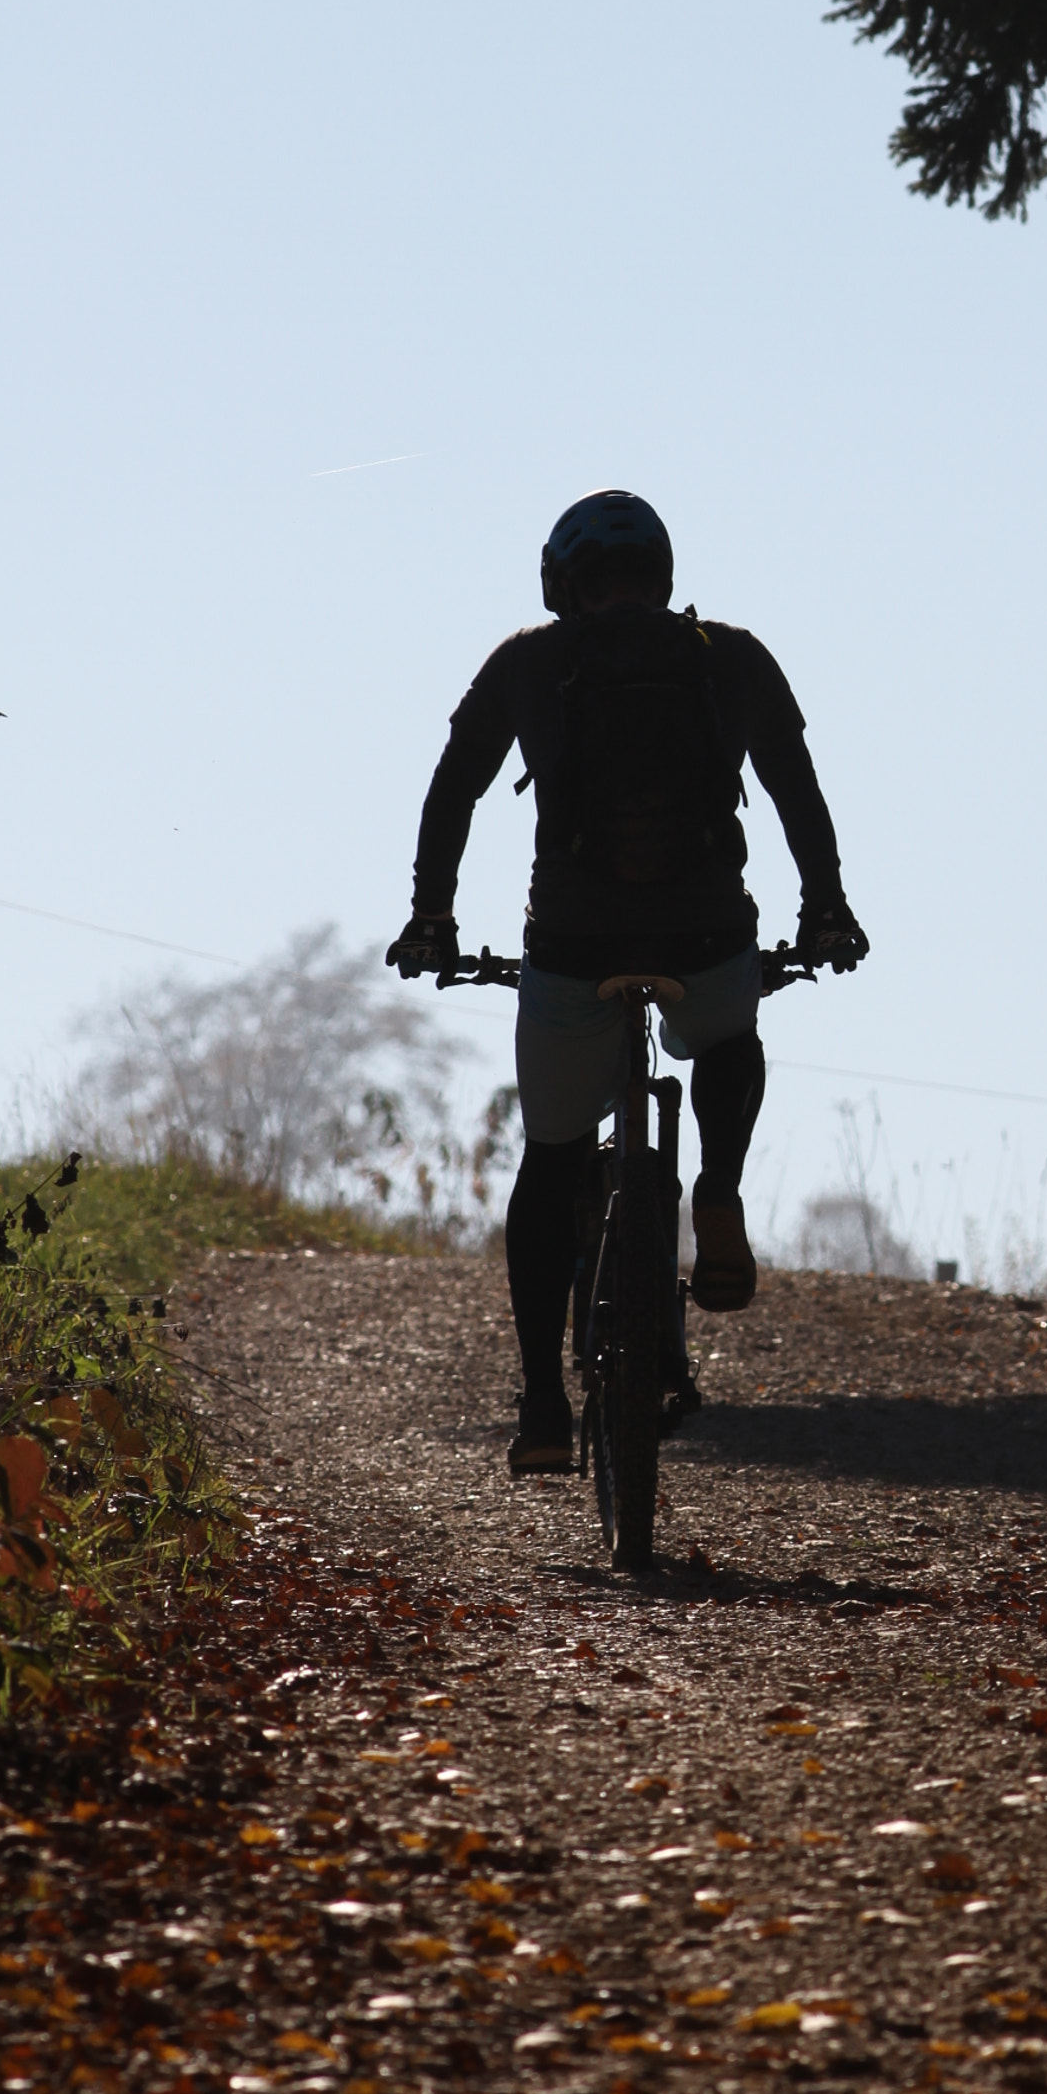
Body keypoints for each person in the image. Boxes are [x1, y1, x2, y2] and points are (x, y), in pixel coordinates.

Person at [385, 490, 866, 1474]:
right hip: (703, 929)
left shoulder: (527, 660)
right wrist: (825, 907)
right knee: (726, 1042)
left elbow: (455, 790)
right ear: (664, 575)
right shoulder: (728, 656)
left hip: (571, 939)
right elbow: (793, 790)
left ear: (562, 583)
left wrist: (433, 917)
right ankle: (718, 1188)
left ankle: (541, 1409)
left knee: (552, 1163)